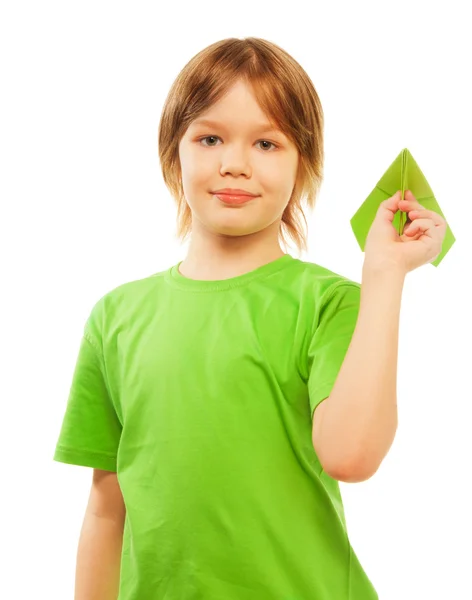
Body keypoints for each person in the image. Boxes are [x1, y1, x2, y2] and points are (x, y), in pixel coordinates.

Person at [53, 37, 447, 600]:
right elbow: (106, 507)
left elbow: (351, 456)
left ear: (303, 165)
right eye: (209, 138)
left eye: (267, 142)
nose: (234, 164)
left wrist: (383, 275)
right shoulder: (115, 316)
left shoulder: (329, 304)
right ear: (174, 153)